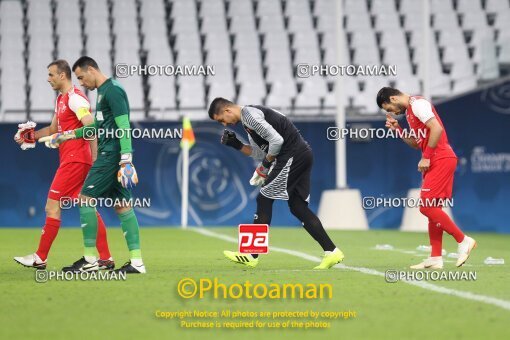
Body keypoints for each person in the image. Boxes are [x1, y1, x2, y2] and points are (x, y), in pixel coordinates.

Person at [208, 97, 344, 269]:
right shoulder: (248, 120)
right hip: (301, 154)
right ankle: (332, 251)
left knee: (263, 199)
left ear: (227, 110)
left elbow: (277, 142)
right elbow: (259, 152)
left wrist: (265, 165)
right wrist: (237, 145)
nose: (224, 125)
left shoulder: (249, 115)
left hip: (293, 155)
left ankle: (251, 254)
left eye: (221, 120)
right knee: (297, 207)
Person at [47, 56, 145, 274]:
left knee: (84, 200)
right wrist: (69, 135)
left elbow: (124, 125)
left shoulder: (113, 91)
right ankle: (137, 262)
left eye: (81, 77)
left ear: (91, 69)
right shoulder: (103, 92)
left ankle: (91, 259)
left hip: (111, 155)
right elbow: (97, 127)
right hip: (110, 154)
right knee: (122, 206)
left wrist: (126, 160)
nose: (81, 82)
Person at [13, 59, 114, 270]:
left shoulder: (76, 99)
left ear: (62, 75)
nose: (48, 78)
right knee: (87, 207)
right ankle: (105, 258)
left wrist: (94, 160)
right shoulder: (62, 100)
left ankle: (40, 257)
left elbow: (91, 127)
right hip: (73, 160)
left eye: (51, 74)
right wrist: (29, 136)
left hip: (75, 161)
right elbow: (51, 130)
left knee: (52, 206)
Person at [377, 87, 476, 269]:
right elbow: (417, 143)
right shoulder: (409, 114)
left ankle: (463, 240)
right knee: (433, 210)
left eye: (389, 108)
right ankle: (435, 258)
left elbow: (436, 129)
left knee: (426, 207)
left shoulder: (418, 104)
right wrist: (398, 129)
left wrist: (427, 156)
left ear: (393, 98)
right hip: (436, 160)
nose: (392, 113)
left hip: (441, 158)